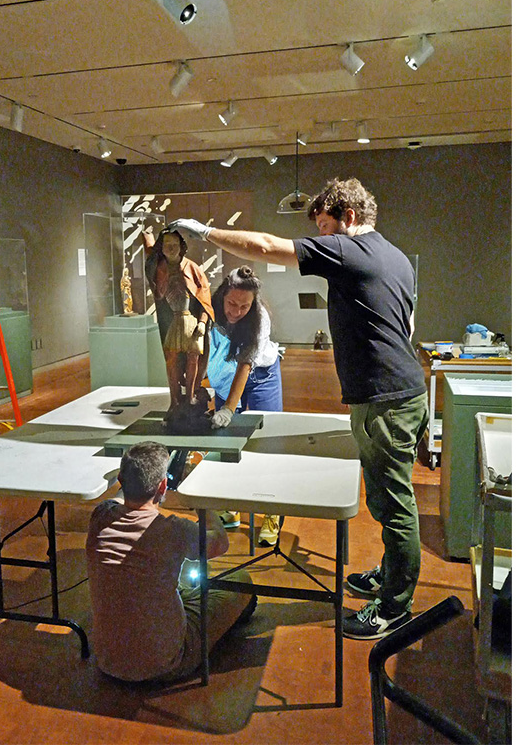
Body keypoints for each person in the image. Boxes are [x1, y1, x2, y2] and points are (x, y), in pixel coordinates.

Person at [166, 177, 428, 641]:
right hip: (399, 393)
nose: (322, 239)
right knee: (386, 497)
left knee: (394, 503)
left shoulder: (351, 251)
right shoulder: (397, 257)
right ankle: (390, 574)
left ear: (347, 218)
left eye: (325, 227)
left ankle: (394, 605)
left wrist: (205, 233)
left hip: (385, 401)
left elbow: (267, 245)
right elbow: (407, 324)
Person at [86, 441, 257, 682]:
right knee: (240, 581)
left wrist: (134, 477)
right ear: (163, 486)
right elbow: (220, 542)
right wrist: (200, 499)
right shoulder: (174, 530)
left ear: (122, 481)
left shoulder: (100, 516)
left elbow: (121, 496)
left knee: (178, 573)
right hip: (167, 664)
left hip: (108, 661)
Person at [205, 266, 285, 547]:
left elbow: (246, 364)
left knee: (267, 441)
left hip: (262, 374)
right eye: (232, 304)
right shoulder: (210, 307)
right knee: (226, 442)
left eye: (244, 306)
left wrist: (228, 407)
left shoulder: (259, 318)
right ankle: (232, 503)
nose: (236, 311)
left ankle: (272, 513)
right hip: (228, 372)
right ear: (223, 295)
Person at [143, 227, 215, 414]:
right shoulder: (159, 268)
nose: (171, 248)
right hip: (173, 321)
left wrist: (202, 321)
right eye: (167, 245)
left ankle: (191, 395)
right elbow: (150, 256)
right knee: (172, 359)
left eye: (175, 245)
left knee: (193, 358)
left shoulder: (193, 268)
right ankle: (174, 400)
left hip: (191, 322)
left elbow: (205, 299)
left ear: (181, 247)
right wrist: (147, 236)